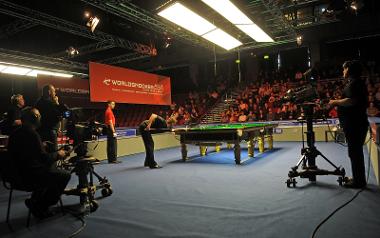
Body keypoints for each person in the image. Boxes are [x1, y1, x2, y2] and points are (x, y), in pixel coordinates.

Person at [7, 107, 71, 218]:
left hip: (15, 177)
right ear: (35, 118)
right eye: (39, 116)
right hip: (30, 178)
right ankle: (41, 206)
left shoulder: (15, 134)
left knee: (49, 170)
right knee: (64, 175)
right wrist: (58, 154)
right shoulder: (32, 134)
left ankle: (34, 201)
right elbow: (44, 159)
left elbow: (27, 152)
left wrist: (41, 145)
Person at [329, 60, 369, 188]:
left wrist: (335, 102)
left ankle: (358, 182)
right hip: (355, 124)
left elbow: (351, 101)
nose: (343, 71)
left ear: (349, 69)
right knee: (355, 152)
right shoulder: (355, 83)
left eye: (344, 69)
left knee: (354, 152)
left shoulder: (355, 84)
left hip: (355, 125)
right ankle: (358, 178)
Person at [35, 84, 67, 152]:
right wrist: (57, 103)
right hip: (50, 132)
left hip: (42, 131)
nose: (55, 93)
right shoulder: (50, 104)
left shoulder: (38, 102)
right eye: (54, 91)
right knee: (53, 152)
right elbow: (65, 113)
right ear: (49, 92)